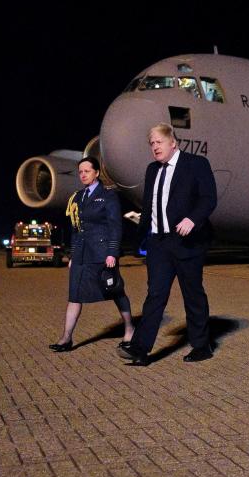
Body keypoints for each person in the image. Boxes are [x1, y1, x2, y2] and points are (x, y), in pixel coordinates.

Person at [118, 123, 217, 365]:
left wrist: (192, 219)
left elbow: (208, 198)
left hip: (186, 242)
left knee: (192, 295)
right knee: (155, 295)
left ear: (173, 142)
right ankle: (140, 349)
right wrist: (141, 238)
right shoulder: (152, 170)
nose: (154, 147)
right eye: (151, 143)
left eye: (158, 142)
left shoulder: (196, 164)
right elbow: (150, 205)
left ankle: (201, 346)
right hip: (158, 243)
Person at [50, 157, 134, 352]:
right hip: (81, 254)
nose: (83, 174)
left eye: (87, 171)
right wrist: (72, 255)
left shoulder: (108, 195)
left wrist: (112, 253)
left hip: (102, 254)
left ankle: (129, 328)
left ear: (97, 173)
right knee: (74, 295)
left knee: (115, 291)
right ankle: (66, 338)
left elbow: (115, 226)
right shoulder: (77, 197)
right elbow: (75, 228)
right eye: (80, 172)